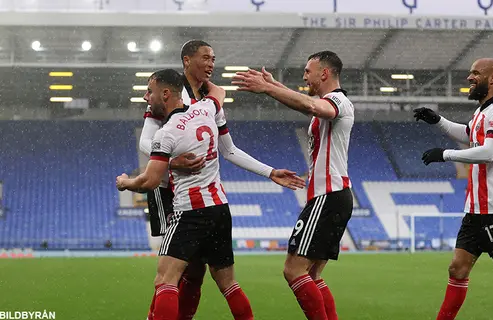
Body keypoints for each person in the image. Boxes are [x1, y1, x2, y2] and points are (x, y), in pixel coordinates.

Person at [118, 69, 306, 320]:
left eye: (149, 92)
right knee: (229, 285)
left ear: (165, 94)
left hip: (189, 212)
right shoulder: (206, 109)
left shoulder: (166, 134)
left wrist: (125, 182)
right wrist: (203, 80)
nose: (145, 97)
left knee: (165, 280)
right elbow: (219, 91)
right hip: (219, 209)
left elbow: (151, 180)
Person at [232, 51, 354, 320]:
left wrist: (267, 89)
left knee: (293, 270)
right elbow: (310, 103)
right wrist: (274, 85)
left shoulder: (337, 101)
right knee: (312, 274)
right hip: (333, 195)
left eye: (308, 71)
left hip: (328, 195)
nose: (304, 76)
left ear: (324, 73)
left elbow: (312, 106)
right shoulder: (333, 101)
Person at [415, 58, 493, 320]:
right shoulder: (482, 112)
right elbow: (467, 133)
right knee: (457, 269)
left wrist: (445, 155)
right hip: (475, 208)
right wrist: (438, 120)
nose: (469, 78)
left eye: (475, 73)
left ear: (492, 78)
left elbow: (489, 152)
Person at [139, 39, 217, 320]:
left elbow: (225, 147)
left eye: (213, 59)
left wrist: (268, 171)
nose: (211, 64)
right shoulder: (165, 90)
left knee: (196, 269)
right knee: (171, 269)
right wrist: (171, 161)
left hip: (197, 191)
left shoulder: (210, 97)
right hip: (166, 189)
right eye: (205, 58)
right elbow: (145, 142)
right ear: (187, 61)